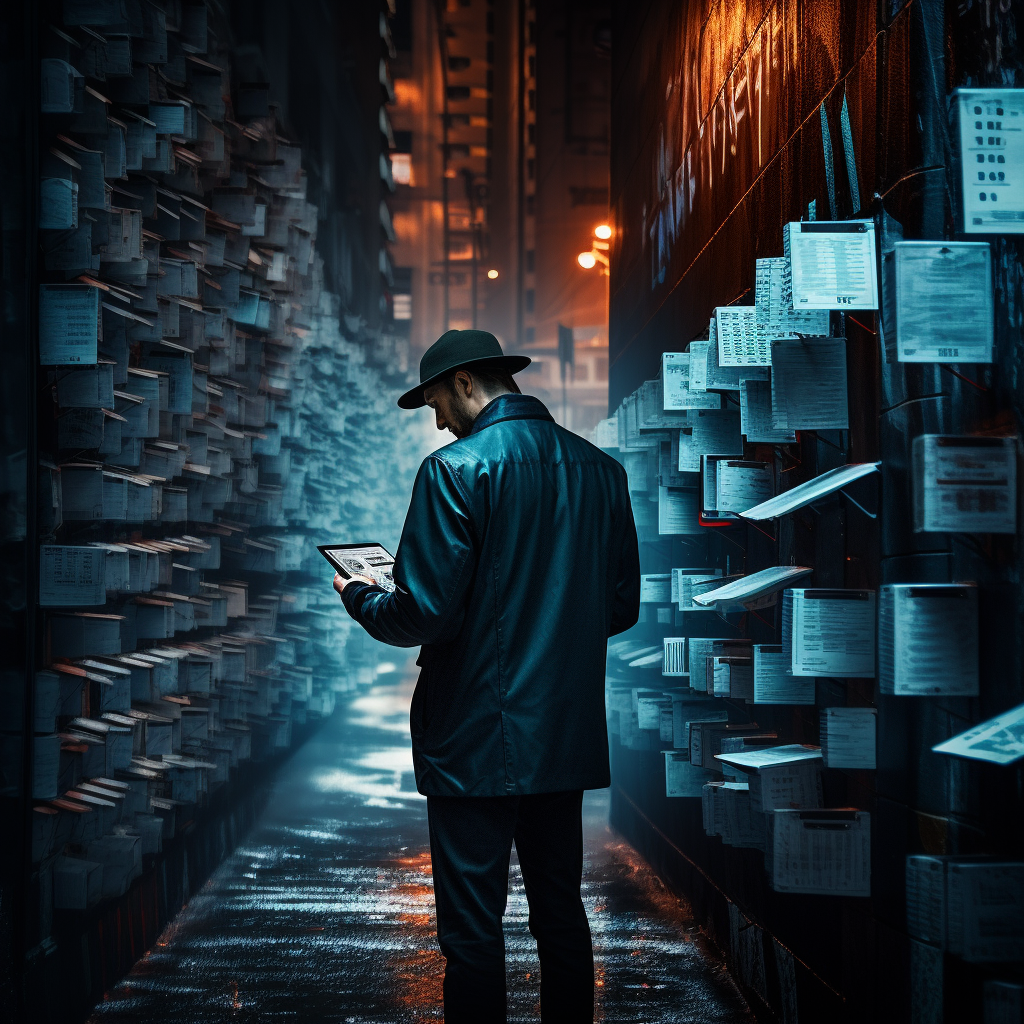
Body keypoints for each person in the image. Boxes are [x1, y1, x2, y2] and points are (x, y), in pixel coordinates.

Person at [334, 329, 640, 1023]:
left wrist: (362, 595)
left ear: (467, 384)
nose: (438, 421)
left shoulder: (455, 472)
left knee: (473, 931)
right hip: (561, 738)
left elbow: (425, 614)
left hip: (474, 738)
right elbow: (619, 606)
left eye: (438, 403)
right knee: (560, 913)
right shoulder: (601, 472)